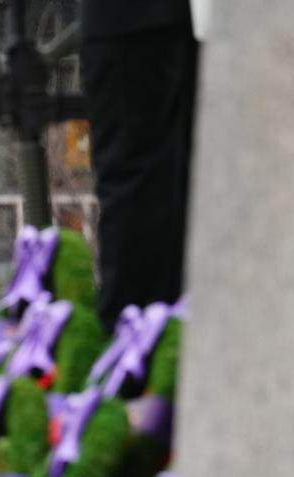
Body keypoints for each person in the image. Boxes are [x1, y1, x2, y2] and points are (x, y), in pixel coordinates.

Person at [82, 0, 197, 331]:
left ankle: (140, 340)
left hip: (169, 21)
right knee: (141, 182)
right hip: (139, 20)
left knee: (165, 183)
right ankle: (133, 344)